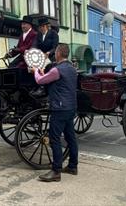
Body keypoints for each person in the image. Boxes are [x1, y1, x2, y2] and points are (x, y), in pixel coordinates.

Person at [31, 44, 78, 182]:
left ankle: (56, 171)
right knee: (70, 137)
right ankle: (73, 166)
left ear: (58, 53)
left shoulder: (57, 70)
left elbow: (40, 80)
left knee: (54, 139)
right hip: (70, 107)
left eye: (55, 52)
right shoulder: (71, 69)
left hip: (60, 108)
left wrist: (35, 71)